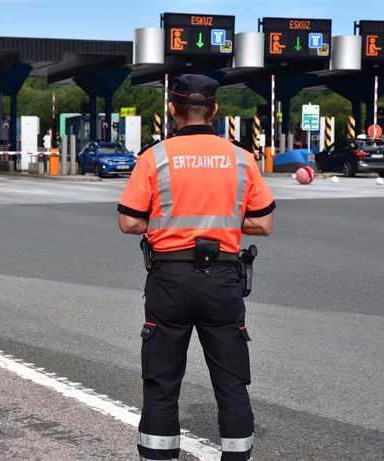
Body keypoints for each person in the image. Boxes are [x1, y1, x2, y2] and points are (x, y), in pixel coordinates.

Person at [117, 74, 275, 461]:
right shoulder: (241, 157)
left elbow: (129, 222)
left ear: (173, 110)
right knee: (232, 383)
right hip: (222, 278)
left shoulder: (155, 156)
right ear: (215, 110)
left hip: (169, 280)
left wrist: (170, 224)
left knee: (161, 383)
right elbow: (264, 223)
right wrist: (219, 224)